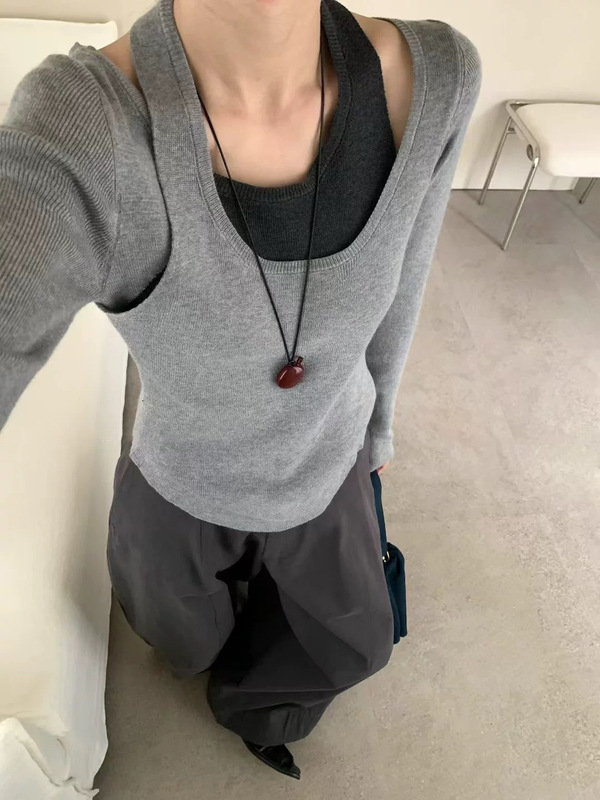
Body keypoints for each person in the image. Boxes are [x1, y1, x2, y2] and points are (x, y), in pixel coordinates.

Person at [0, 0, 481, 781]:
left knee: (356, 642)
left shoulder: (436, 81)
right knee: (179, 640)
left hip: (328, 460)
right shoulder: (85, 128)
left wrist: (379, 430)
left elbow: (403, 289)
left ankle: (254, 712)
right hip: (185, 475)